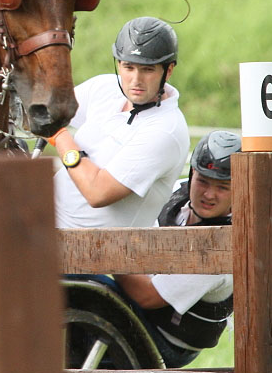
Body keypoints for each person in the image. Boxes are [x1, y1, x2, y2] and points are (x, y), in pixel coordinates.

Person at [110, 130, 239, 367]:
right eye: (203, 181)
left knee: (83, 281)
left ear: (240, 190)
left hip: (167, 341)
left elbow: (149, 296)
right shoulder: (178, 192)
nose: (208, 194)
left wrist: (105, 257)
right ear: (192, 175)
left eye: (222, 187)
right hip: (142, 313)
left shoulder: (221, 245)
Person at [50, 17, 190, 228]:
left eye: (148, 69)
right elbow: (49, 110)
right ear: (118, 64)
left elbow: (97, 192)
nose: (136, 80)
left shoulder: (166, 130)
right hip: (43, 225)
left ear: (168, 71)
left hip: (97, 253)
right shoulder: (105, 87)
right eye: (129, 67)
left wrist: (60, 138)